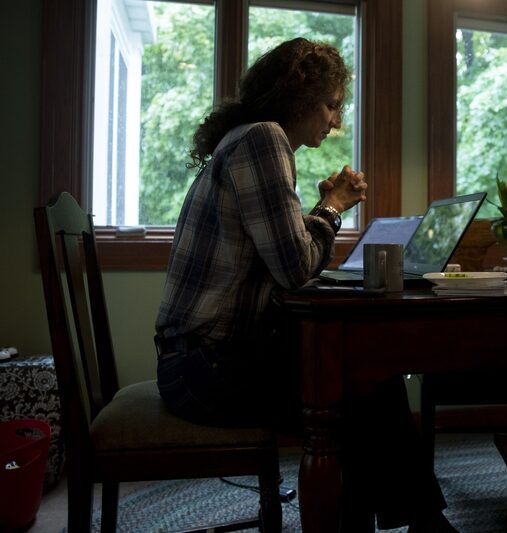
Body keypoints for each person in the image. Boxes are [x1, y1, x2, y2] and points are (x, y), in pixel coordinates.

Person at [154, 38, 457, 533]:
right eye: (331, 105)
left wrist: (320, 213)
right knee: (364, 383)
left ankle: (400, 522)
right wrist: (332, 207)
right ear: (296, 97)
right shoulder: (262, 139)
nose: (335, 121)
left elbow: (286, 262)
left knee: (363, 374)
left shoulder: (248, 139)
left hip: (199, 359)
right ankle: (422, 523)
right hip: (201, 370)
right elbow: (296, 268)